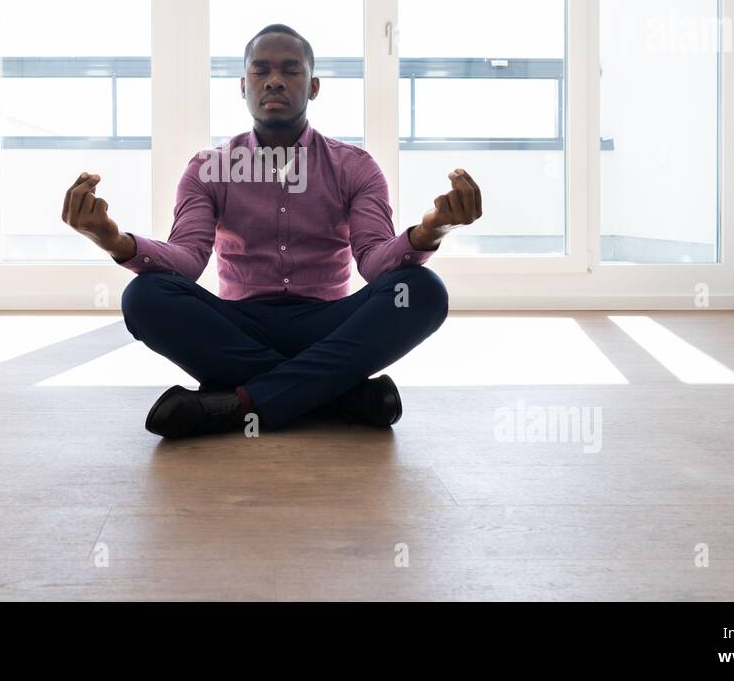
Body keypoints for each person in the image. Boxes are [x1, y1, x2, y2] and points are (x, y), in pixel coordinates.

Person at [61, 23, 482, 439]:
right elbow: (187, 260)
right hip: (240, 326)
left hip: (329, 324)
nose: (275, 81)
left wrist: (433, 229)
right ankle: (335, 393)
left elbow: (374, 261)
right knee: (145, 297)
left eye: (290, 70)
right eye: (260, 71)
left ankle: (237, 404)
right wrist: (113, 242)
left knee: (421, 291)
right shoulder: (208, 169)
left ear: (314, 86)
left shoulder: (355, 167)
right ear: (243, 87)